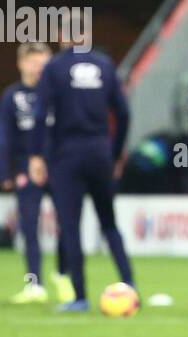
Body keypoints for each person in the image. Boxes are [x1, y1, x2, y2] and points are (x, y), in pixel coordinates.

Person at [28, 45, 135, 313]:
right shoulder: (105, 64)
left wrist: (36, 155)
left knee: (70, 226)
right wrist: (115, 153)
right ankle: (130, 286)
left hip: (67, 155)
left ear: (61, 36)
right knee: (109, 223)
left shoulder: (54, 67)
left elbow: (41, 113)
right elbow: (123, 113)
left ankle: (80, 296)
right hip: (100, 152)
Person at [0, 44, 73, 305]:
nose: (38, 68)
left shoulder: (57, 94)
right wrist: (4, 171)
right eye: (33, 62)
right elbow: (4, 136)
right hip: (24, 169)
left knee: (68, 223)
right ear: (21, 63)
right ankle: (34, 285)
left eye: (43, 63)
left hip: (57, 166)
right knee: (29, 228)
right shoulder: (12, 96)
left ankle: (62, 274)